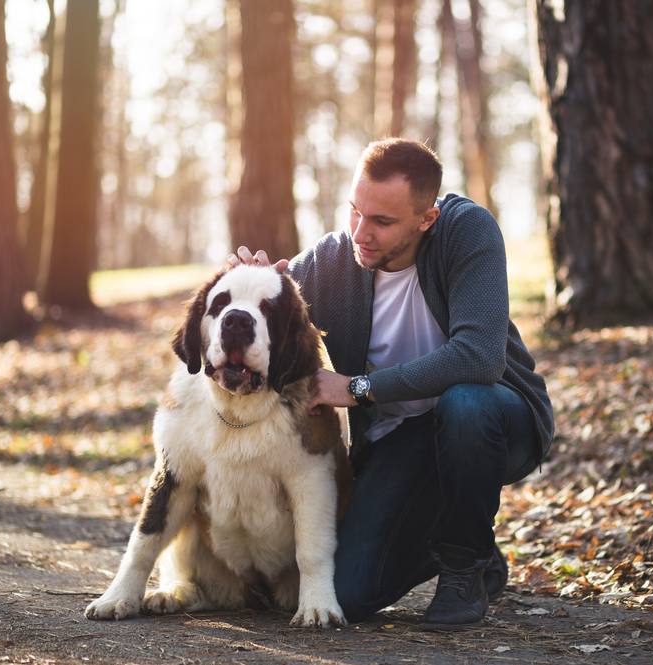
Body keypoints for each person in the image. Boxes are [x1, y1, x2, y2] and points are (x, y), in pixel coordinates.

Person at [231, 138, 554, 630]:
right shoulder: (334, 259)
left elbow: (479, 358)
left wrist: (358, 388)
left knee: (464, 403)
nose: (362, 233)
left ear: (427, 218)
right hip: (401, 442)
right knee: (348, 596)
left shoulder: (467, 231)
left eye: (382, 221)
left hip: (496, 420)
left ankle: (463, 569)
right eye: (356, 212)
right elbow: (271, 314)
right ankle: (474, 544)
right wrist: (252, 288)